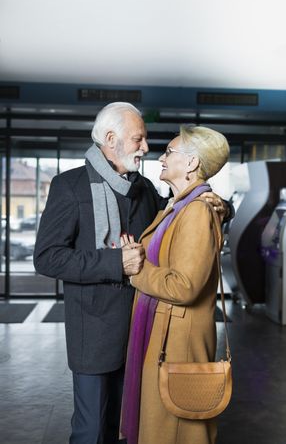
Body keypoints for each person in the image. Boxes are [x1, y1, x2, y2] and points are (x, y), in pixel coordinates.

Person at [33, 102, 229, 444]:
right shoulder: (70, 186)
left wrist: (220, 205)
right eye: (139, 139)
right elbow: (47, 258)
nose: (146, 148)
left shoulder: (144, 190)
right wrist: (116, 264)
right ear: (111, 139)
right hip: (93, 335)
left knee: (130, 430)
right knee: (93, 431)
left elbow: (179, 215)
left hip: (144, 334)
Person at [120, 125, 230, 444]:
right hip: (164, 331)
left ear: (192, 163)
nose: (161, 157)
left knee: (174, 430)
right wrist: (135, 252)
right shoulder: (177, 205)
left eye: (169, 152)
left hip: (178, 342)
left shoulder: (195, 210)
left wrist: (134, 268)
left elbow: (184, 287)